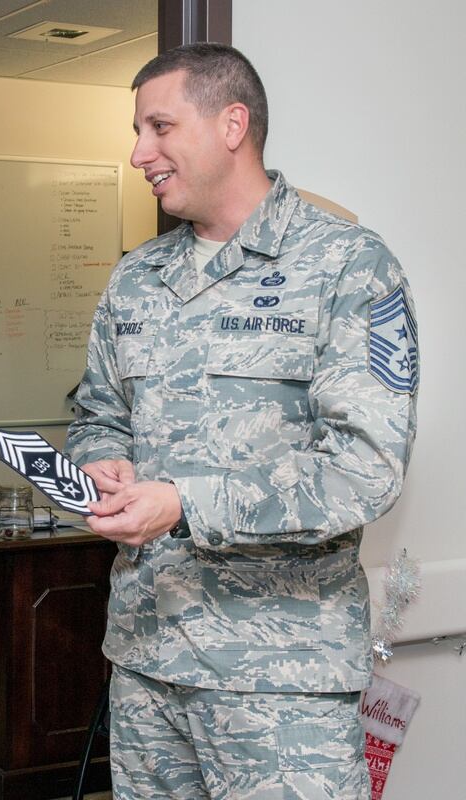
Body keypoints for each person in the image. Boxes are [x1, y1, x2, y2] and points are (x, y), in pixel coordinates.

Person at [66, 43, 418, 800]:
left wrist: (186, 501)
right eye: (137, 130)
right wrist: (103, 460)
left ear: (233, 124)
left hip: (280, 681)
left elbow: (364, 469)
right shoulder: (136, 277)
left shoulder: (348, 266)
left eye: (159, 127)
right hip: (147, 659)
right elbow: (97, 413)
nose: (139, 153)